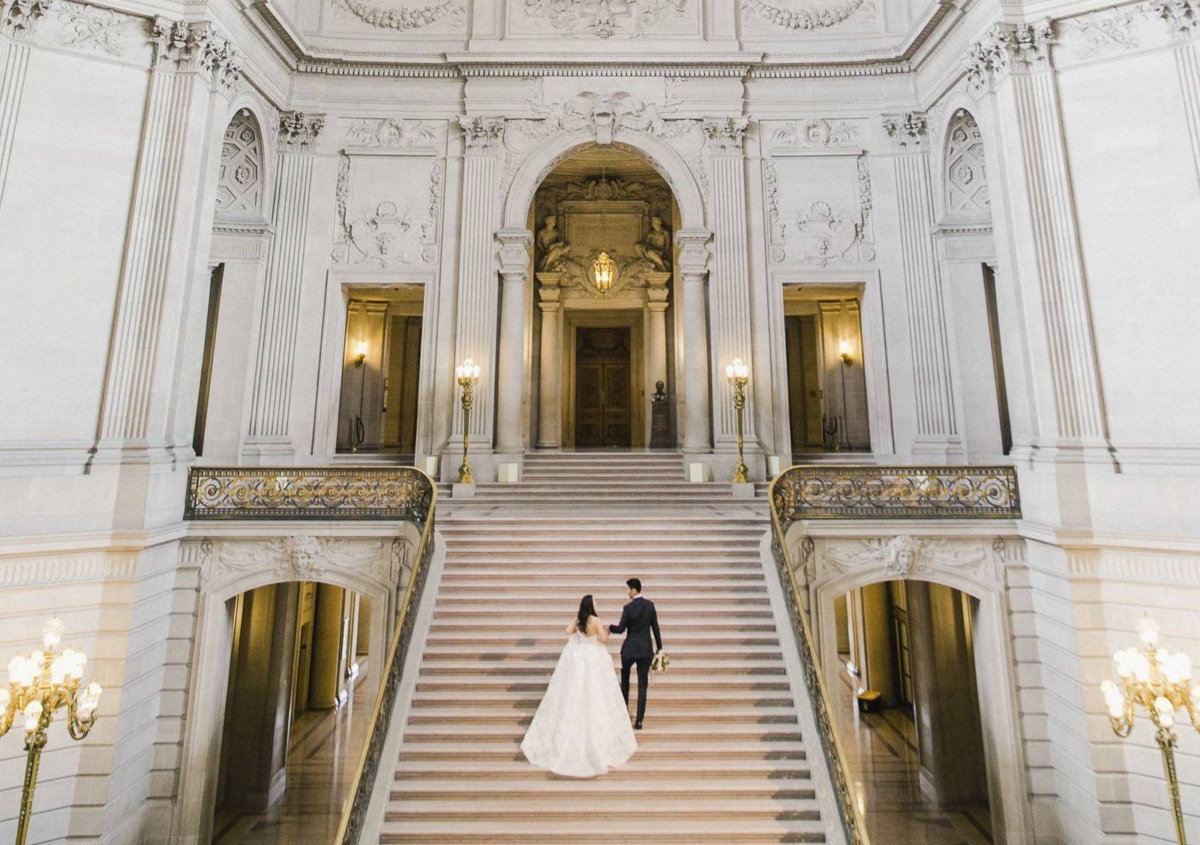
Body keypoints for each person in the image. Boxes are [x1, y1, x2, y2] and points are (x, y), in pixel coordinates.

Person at [520, 595, 638, 777]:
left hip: (579, 658)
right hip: (594, 658)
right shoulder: (596, 620)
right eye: (596, 602)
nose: (597, 604)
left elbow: (568, 631)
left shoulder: (579, 619)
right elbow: (604, 639)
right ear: (591, 605)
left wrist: (576, 626)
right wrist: (608, 632)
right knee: (595, 694)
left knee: (574, 693)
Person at [608, 578, 663, 730]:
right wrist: (660, 648)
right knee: (642, 685)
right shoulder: (650, 606)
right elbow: (656, 629)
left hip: (630, 650)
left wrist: (610, 628)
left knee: (625, 679)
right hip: (645, 650)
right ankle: (639, 720)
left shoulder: (628, 608)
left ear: (634, 590)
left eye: (628, 589)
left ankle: (624, 713)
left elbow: (621, 629)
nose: (628, 592)